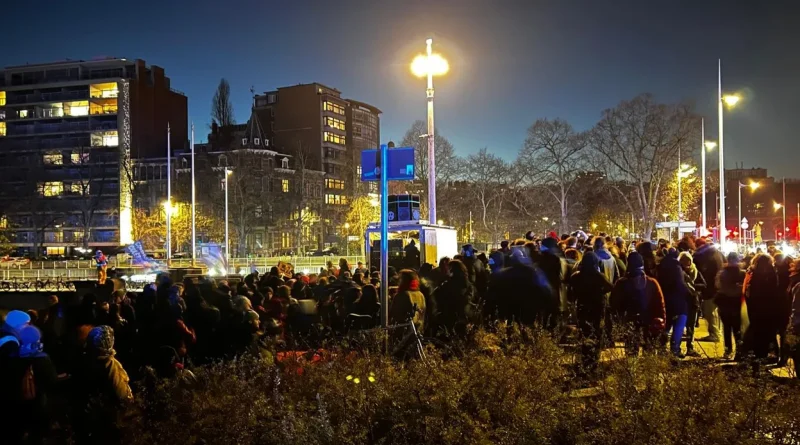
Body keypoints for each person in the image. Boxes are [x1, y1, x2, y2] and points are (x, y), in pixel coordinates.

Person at [73, 326, 133, 443]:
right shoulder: (111, 366)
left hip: (90, 419)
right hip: (108, 421)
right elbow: (123, 396)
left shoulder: (86, 361)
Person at [611, 252, 666, 357]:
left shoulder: (621, 283)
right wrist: (662, 321)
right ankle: (647, 369)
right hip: (649, 320)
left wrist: (618, 320)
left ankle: (632, 369)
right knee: (649, 348)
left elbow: (615, 304)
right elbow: (660, 304)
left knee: (631, 349)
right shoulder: (652, 282)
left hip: (629, 319)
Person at [569, 252, 613, 373]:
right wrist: (600, 293)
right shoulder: (599, 276)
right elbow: (610, 287)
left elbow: (571, 292)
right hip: (596, 307)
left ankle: (584, 358)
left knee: (584, 331)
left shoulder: (576, 276)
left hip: (582, 307)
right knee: (595, 331)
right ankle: (594, 360)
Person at [743, 254, 782, 370]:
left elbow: (748, 292)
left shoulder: (753, 274)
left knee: (758, 333)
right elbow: (775, 291)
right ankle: (768, 355)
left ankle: (758, 356)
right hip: (769, 309)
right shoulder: (772, 274)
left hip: (756, 309)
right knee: (768, 333)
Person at [658, 252, 693, 358]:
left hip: (666, 300)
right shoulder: (676, 268)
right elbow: (680, 285)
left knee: (667, 325)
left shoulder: (661, 267)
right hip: (678, 301)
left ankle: (661, 348)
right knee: (679, 326)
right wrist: (691, 295)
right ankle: (675, 349)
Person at [431, 259, 475, 339]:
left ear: (452, 270)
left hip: (450, 316)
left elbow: (437, 295)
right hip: (464, 316)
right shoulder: (468, 284)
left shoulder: (448, 285)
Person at [693, 238, 725, 342]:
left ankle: (715, 334)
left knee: (709, 311)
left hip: (710, 287)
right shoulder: (717, 253)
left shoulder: (704, 256)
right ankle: (715, 332)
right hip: (719, 286)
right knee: (713, 311)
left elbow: (703, 272)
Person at [715, 252, 745, 360]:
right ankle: (739, 352)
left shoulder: (722, 273)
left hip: (725, 303)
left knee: (727, 329)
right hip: (737, 303)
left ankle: (728, 351)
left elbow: (718, 286)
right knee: (738, 329)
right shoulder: (742, 273)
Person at [679, 251, 706, 357]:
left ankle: (690, 347)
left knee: (691, 326)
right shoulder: (679, 272)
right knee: (681, 326)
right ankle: (678, 347)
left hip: (693, 301)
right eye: (684, 261)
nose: (687, 263)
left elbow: (704, 284)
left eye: (688, 261)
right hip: (682, 301)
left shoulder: (695, 271)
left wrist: (693, 285)